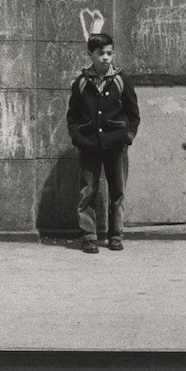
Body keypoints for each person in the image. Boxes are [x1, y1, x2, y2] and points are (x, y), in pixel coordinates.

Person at [67, 33, 141, 253]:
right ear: (91, 54)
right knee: (87, 191)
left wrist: (128, 137)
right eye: (101, 54)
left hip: (116, 145)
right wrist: (78, 138)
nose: (106, 58)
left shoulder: (121, 79)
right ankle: (89, 236)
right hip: (89, 145)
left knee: (117, 191)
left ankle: (115, 236)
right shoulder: (81, 82)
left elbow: (133, 114)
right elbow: (72, 116)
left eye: (110, 53)